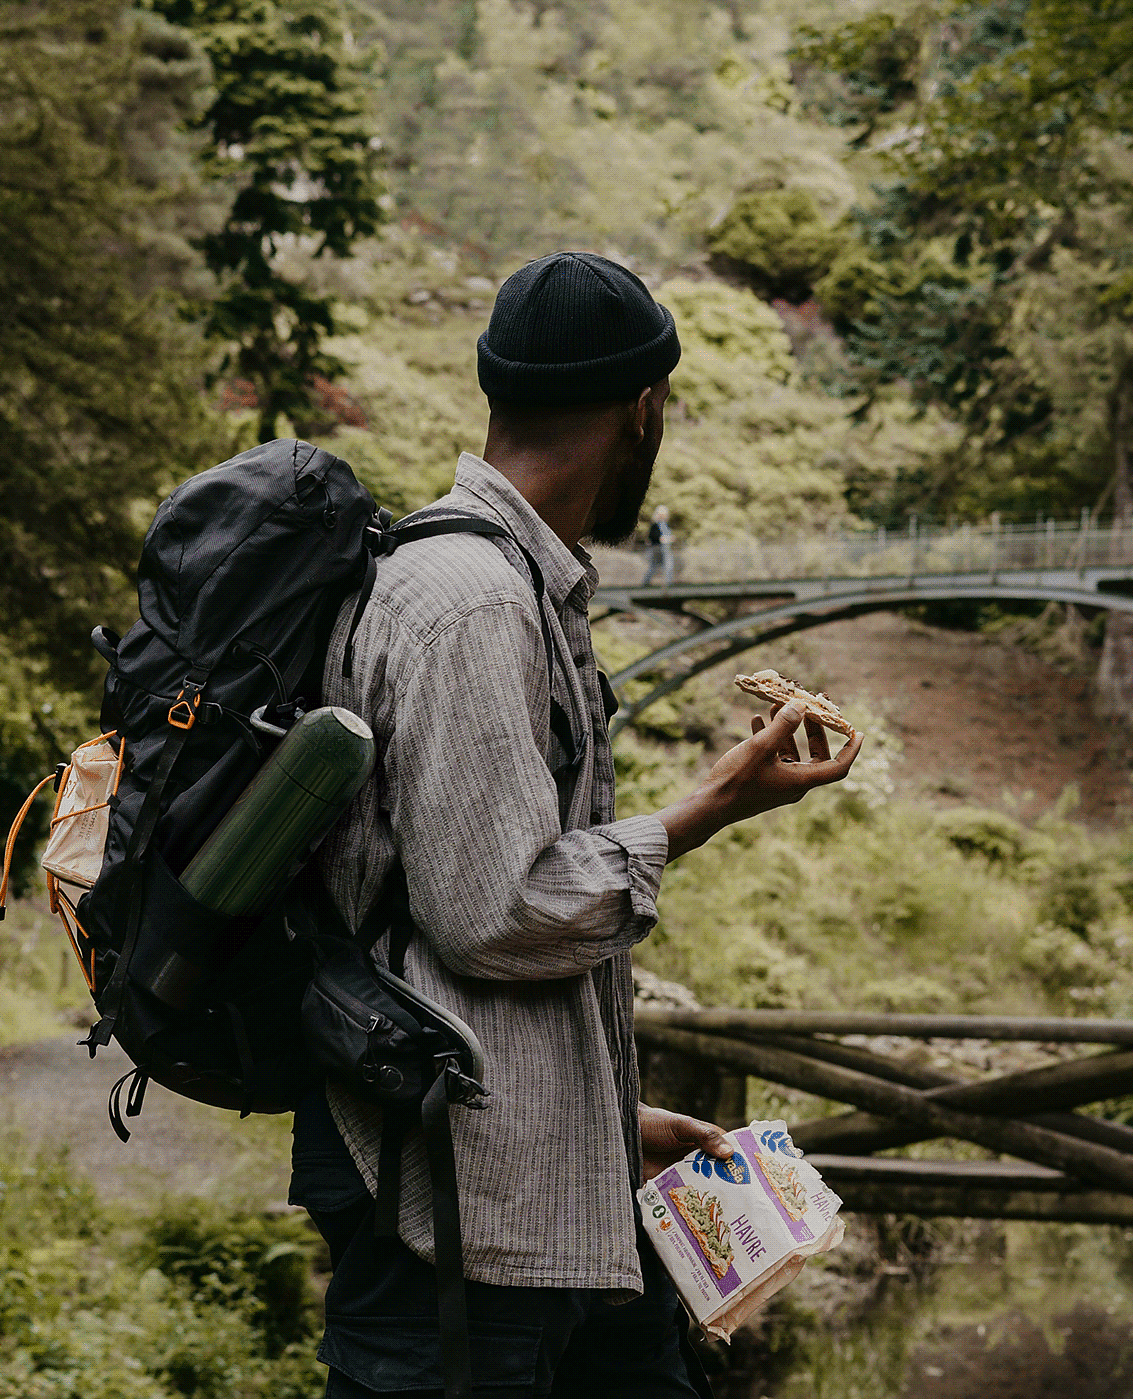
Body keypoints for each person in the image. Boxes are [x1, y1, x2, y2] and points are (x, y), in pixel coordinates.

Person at [290, 250, 863, 1399]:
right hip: (453, 1222)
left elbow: (431, 902)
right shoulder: (473, 602)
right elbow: (494, 909)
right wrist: (713, 803)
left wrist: (606, 1118)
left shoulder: (500, 580)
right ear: (640, 410)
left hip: (539, 1187)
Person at [642, 505, 674, 586]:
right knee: (654, 566)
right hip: (657, 548)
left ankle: (668, 583)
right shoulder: (655, 525)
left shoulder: (666, 525)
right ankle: (646, 582)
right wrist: (661, 538)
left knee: (668, 565)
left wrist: (670, 538)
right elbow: (652, 536)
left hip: (666, 548)